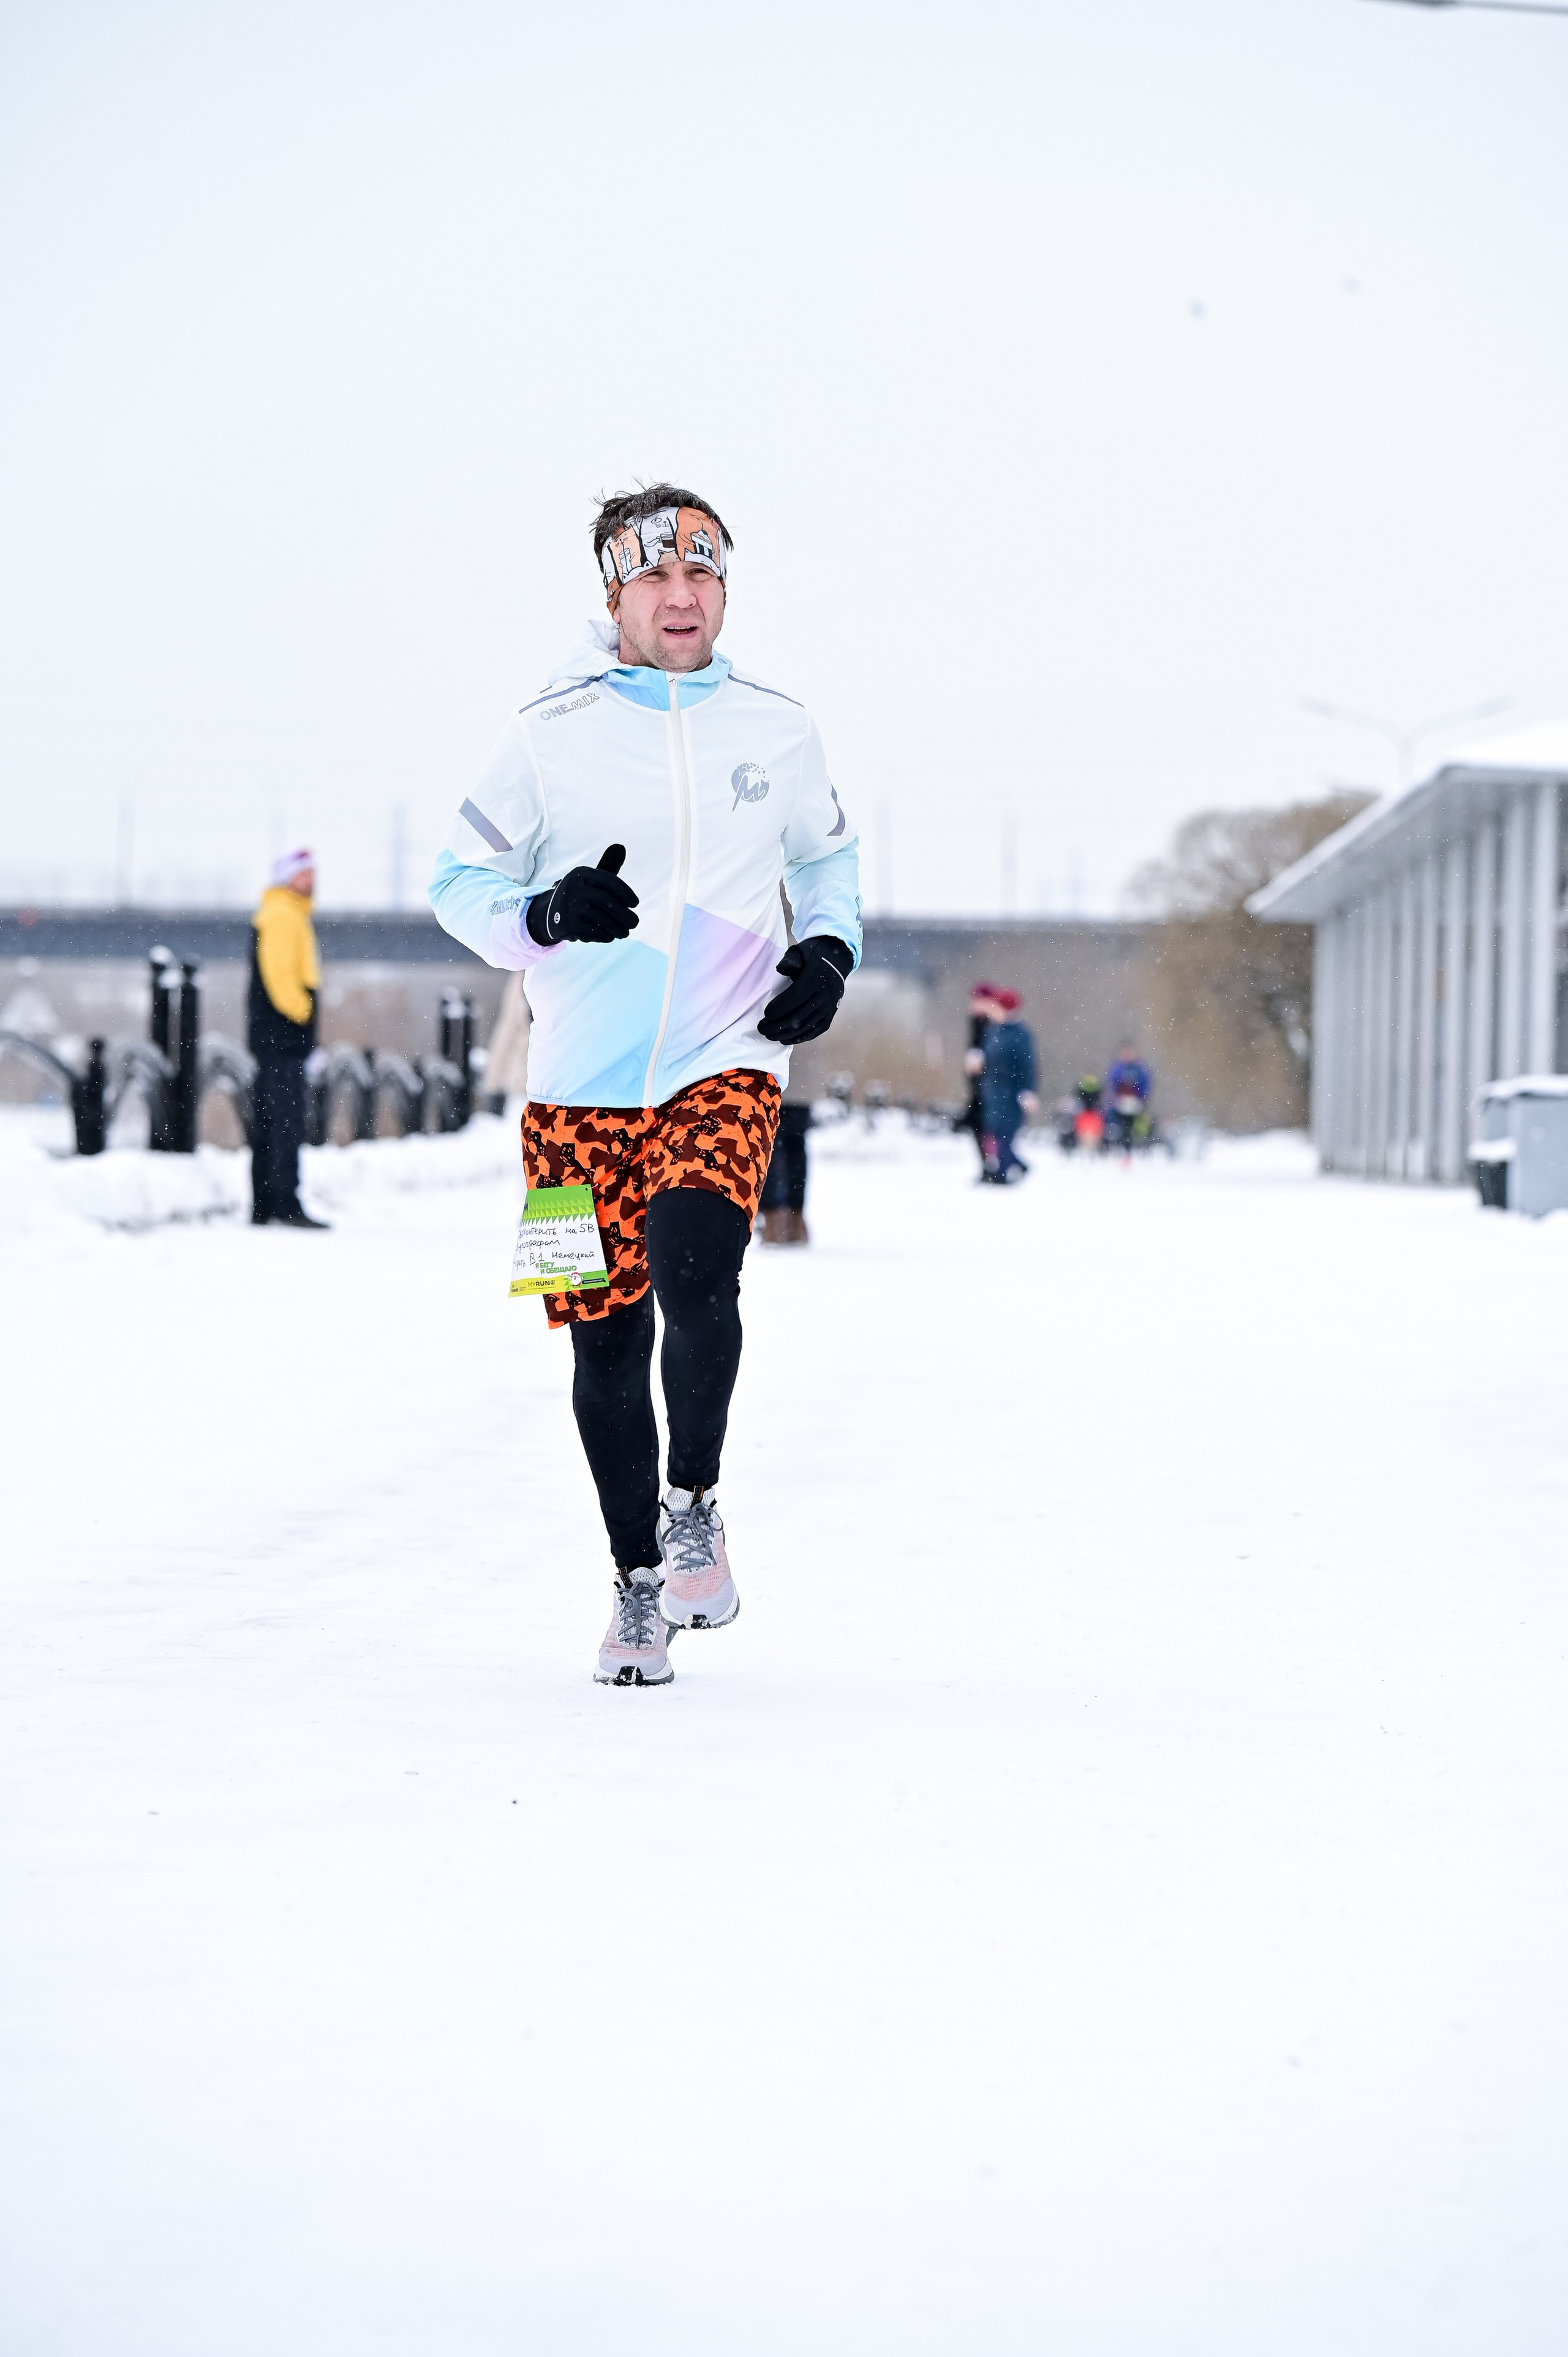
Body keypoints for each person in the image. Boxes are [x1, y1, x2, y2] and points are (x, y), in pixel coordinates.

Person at [428, 483, 861, 1687]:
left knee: (693, 1261)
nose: (682, 597)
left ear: (724, 587)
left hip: (724, 1055)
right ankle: (633, 1588)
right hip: (571, 1087)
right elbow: (454, 882)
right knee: (601, 1345)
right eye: (656, 577)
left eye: (703, 574)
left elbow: (827, 857)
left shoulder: (776, 729)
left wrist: (828, 950)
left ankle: (691, 1508)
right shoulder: (543, 732)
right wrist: (543, 913)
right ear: (614, 592)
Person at [248, 847, 329, 1228]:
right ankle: (284, 1203)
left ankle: (266, 1204)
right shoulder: (283, 915)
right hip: (282, 1034)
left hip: (275, 1036)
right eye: (303, 875)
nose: (311, 882)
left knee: (272, 1119)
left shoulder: (287, 913)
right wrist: (303, 1011)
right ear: (287, 878)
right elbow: (280, 976)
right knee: (284, 1120)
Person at [972, 986, 1039, 1183]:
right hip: (993, 1092)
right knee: (995, 1133)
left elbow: (1027, 1065)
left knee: (1005, 1134)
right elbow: (988, 1056)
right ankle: (1013, 1167)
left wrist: (1027, 1091)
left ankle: (1003, 1173)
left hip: (1010, 1093)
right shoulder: (994, 1031)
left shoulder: (1020, 1034)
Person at [955, 981, 997, 1175]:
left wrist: (981, 1059)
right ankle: (988, 1166)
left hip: (990, 1086)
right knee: (978, 1125)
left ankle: (993, 1166)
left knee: (985, 1126)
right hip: (978, 1086)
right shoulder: (976, 1022)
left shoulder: (993, 1024)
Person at [1103, 1039, 1153, 1152]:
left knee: (1135, 1127)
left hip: (1135, 1103)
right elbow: (1111, 1085)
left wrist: (1141, 1099)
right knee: (1115, 1125)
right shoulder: (1117, 1068)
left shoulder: (1140, 1069)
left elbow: (1145, 1086)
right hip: (1119, 1103)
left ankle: (1134, 1147)